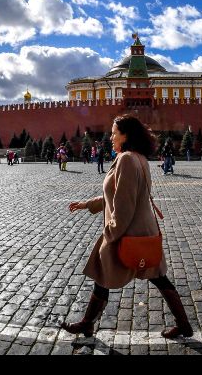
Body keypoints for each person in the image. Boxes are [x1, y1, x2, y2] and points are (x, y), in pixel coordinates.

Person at [63, 115, 193, 339]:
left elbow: (124, 205)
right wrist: (87, 204)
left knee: (104, 273)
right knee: (150, 277)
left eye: (114, 133)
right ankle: (183, 324)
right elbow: (116, 193)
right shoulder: (138, 158)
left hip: (128, 234)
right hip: (142, 232)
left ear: (126, 135)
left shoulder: (126, 160)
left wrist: (109, 235)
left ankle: (87, 323)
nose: (110, 136)